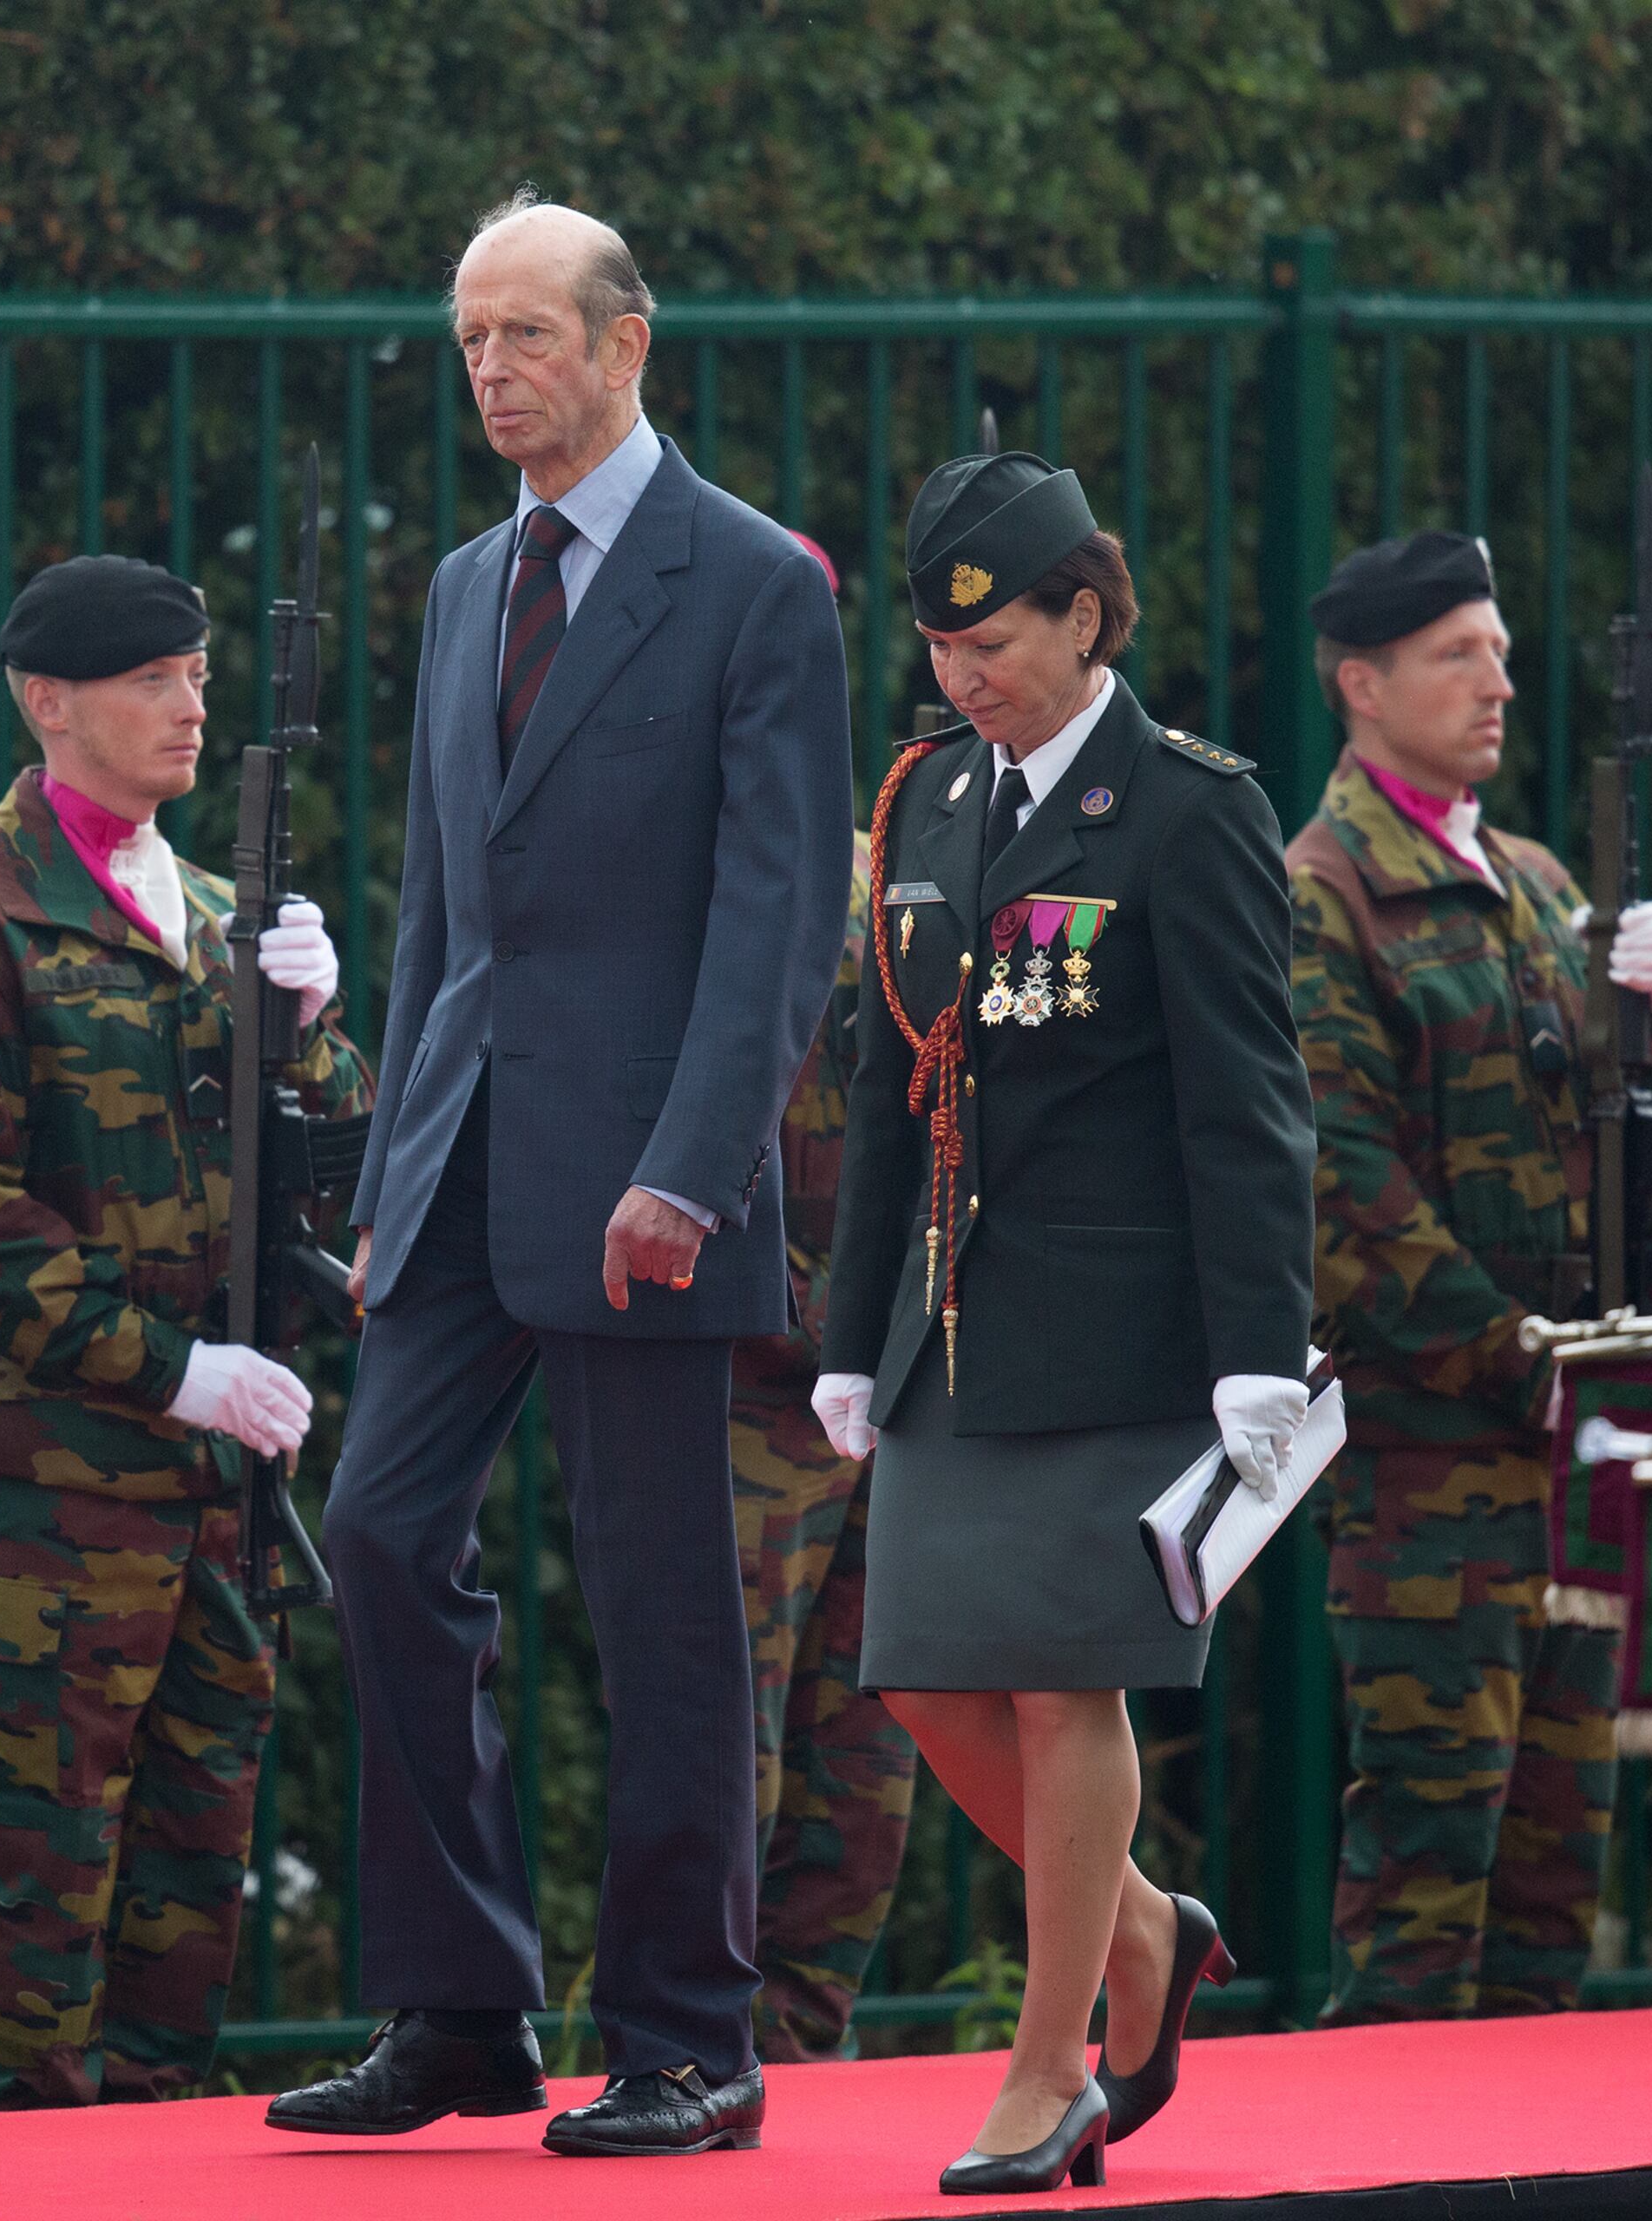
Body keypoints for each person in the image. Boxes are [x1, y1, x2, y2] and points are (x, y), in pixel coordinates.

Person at [264, 194, 849, 2159]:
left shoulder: (753, 581)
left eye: (526, 333)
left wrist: (698, 1166)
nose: (493, 371)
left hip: (648, 1193)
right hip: (458, 1168)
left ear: (625, 345)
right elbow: (444, 908)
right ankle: (461, 2008)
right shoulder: (464, 584)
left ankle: (689, 2038)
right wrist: (386, 1173)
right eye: (470, 341)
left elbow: (777, 919)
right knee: (378, 1535)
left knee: (660, 1604)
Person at [812, 448, 1313, 2193]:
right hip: (950, 1323)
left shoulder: (1188, 807)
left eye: (997, 640)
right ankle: (1148, 1930)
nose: (964, 675)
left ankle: (1050, 2072)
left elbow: (1246, 1105)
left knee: (1057, 1688)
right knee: (922, 1679)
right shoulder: (927, 802)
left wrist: (1259, 1349)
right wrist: (846, 1334)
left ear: (1086, 616)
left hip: (1123, 1332)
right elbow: (889, 1083)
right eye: (942, 647)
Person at [0, 554, 365, 2107]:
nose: (191, 707)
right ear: (49, 702)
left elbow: (333, 1175)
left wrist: (316, 1037)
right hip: (52, 1520)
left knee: (185, 1950)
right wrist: (177, 1370)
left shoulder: (218, 918)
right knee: (37, 1963)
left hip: (217, 1514)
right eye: (153, 680)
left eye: (199, 676)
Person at [1287, 530, 1652, 2025]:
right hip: (1435, 1468)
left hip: (1577, 1466)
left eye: (1503, 653)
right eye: (1458, 654)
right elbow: (1341, 1192)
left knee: (1551, 1905)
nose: (1498, 684)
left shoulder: (1539, 884)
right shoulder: (1325, 893)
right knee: (1424, 1895)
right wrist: (1526, 1359)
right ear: (1363, 683)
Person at [733, 573, 921, 2064]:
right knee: (719, 1751)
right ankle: (693, 2040)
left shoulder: (899, 872)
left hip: (889, 1382)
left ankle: (805, 2045)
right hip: (731, 1386)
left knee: (872, 1748)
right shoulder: (664, 873)